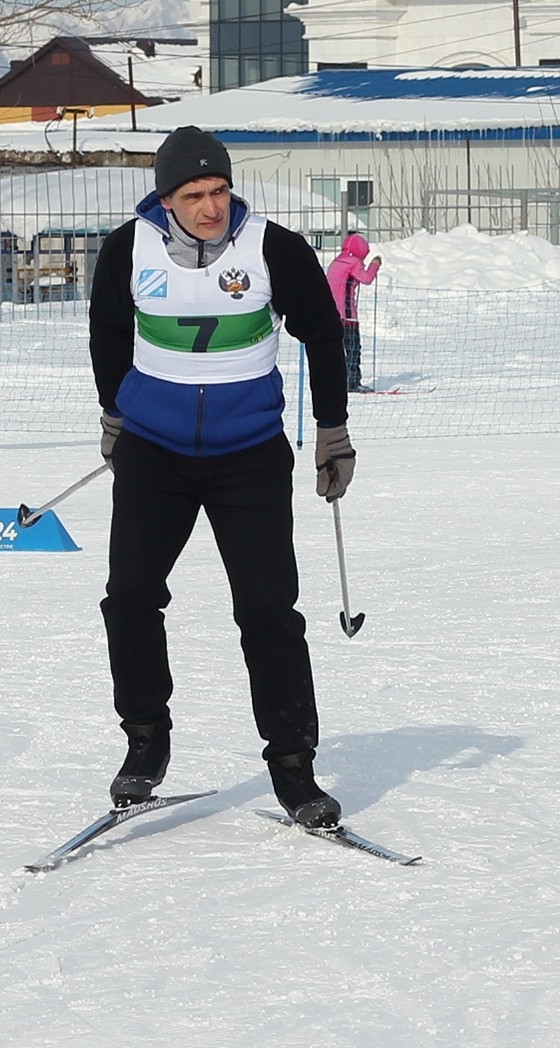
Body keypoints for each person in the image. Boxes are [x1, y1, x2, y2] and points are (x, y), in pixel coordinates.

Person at [88, 125, 357, 829]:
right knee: (132, 596)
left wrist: (333, 433)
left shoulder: (271, 247)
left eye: (219, 190)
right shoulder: (129, 248)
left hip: (249, 454)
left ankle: (294, 767)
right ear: (166, 198)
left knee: (269, 614)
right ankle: (145, 739)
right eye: (193, 194)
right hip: (155, 452)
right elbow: (109, 332)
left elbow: (322, 334)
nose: (210, 206)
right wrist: (115, 414)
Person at [326, 233, 383, 392]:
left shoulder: (337, 261)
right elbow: (366, 278)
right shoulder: (353, 263)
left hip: (333, 314)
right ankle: (352, 382)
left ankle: (337, 381)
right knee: (353, 349)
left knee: (338, 350)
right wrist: (374, 265)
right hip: (348, 315)